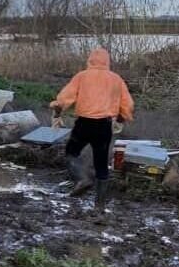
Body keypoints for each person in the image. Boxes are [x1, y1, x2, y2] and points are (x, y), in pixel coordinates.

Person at [50, 48, 134, 210]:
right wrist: (120, 120)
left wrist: (57, 114)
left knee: (71, 153)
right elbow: (127, 105)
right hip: (104, 126)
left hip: (84, 124)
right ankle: (99, 207)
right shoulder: (116, 79)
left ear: (90, 60)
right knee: (102, 165)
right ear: (107, 61)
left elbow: (62, 100)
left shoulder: (82, 76)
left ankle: (82, 179)